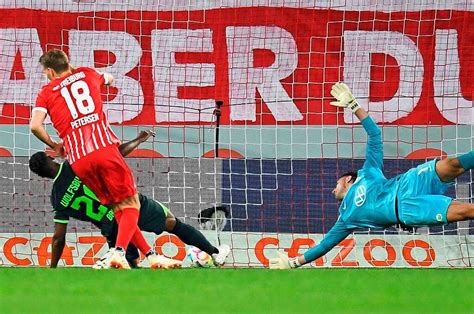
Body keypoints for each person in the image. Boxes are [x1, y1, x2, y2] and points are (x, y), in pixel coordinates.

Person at [269, 82, 474, 269]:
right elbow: (325, 245)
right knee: (466, 211)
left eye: (337, 183)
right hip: (407, 210)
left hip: (409, 182)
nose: (333, 189)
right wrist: (294, 262)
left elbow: (374, 134)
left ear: (348, 179)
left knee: (452, 164)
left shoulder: (368, 171)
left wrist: (353, 105)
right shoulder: (346, 218)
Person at [30, 49, 158, 269]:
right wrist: (87, 75)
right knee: (131, 203)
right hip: (103, 149)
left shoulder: (46, 92)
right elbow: (109, 78)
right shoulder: (88, 74)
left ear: (50, 71)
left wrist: (54, 145)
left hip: (78, 160)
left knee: (117, 207)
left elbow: (35, 125)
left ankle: (152, 255)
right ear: (67, 64)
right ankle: (118, 252)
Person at [29, 130, 231, 269]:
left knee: (131, 263)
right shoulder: (75, 164)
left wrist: (52, 268)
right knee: (172, 222)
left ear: (41, 176)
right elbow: (114, 155)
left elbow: (58, 238)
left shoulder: (57, 200)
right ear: (51, 158)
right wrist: (138, 140)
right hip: (124, 204)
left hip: (110, 227)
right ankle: (214, 253)